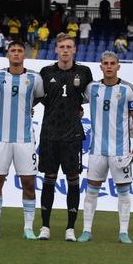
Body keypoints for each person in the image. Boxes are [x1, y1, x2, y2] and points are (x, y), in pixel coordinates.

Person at [78, 51, 133, 244]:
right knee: (91, 190)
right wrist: (77, 110)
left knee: (123, 190)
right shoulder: (92, 88)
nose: (109, 66)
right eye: (105, 63)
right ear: (100, 67)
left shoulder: (128, 89)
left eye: (112, 63)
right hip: (97, 150)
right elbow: (74, 101)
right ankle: (86, 230)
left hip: (121, 151)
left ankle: (123, 232)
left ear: (118, 66)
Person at [0, 41, 44, 240]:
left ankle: (28, 228)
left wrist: (26, 106)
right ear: (7, 54)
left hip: (25, 139)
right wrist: (0, 103)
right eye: (13, 51)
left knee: (28, 182)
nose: (16, 54)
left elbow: (39, 97)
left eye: (19, 51)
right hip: (1, 138)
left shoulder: (34, 78)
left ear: (24, 55)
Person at [37, 34, 93, 241]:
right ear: (56, 50)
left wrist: (77, 108)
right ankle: (45, 227)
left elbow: (91, 95)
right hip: (50, 134)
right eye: (62, 46)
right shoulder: (46, 72)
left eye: (69, 46)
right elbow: (40, 97)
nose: (65, 50)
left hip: (72, 135)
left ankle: (70, 228)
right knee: (49, 178)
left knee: (73, 180)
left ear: (75, 50)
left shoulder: (84, 72)